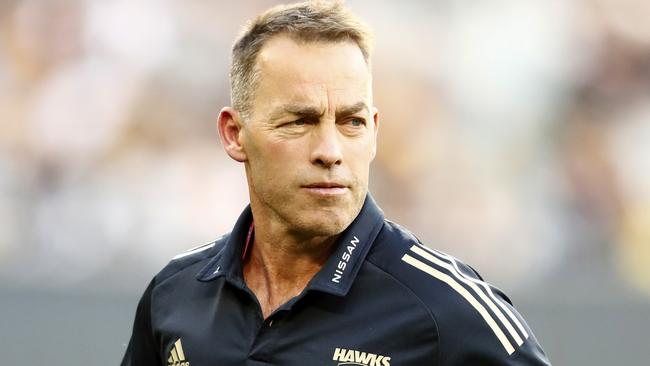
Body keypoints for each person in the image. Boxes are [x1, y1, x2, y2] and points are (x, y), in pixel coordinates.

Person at [121, 2, 551, 365]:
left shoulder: (447, 308)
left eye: (352, 122)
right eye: (300, 121)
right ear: (235, 134)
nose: (330, 150)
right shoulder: (174, 294)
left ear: (375, 132)